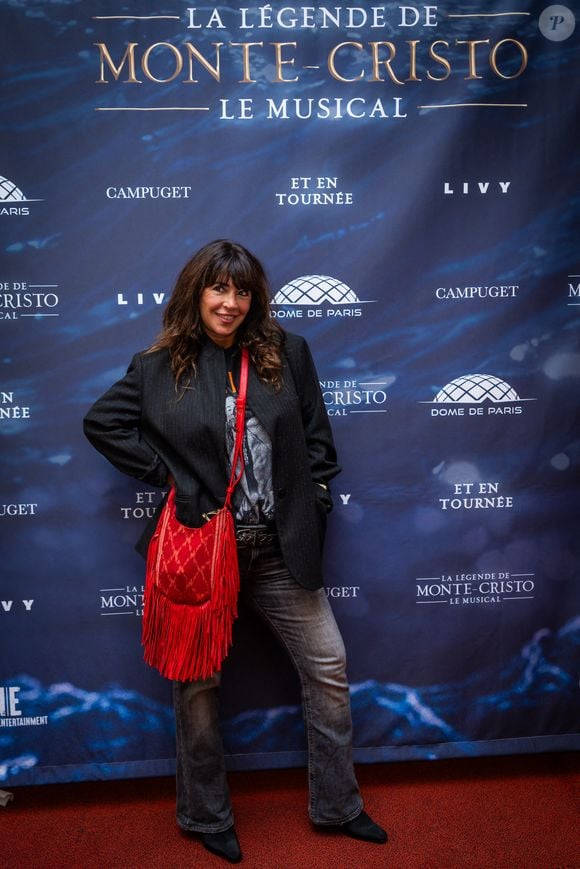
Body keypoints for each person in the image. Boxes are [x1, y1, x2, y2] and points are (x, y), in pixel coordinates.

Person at [83, 240, 387, 863]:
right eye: (219, 289)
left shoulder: (287, 353)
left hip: (278, 550)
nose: (230, 303)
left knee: (328, 668)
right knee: (197, 688)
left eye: (242, 291)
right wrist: (173, 479)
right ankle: (204, 814)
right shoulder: (159, 366)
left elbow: (318, 443)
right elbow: (102, 423)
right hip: (203, 550)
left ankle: (338, 806)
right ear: (197, 292)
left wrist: (316, 501)